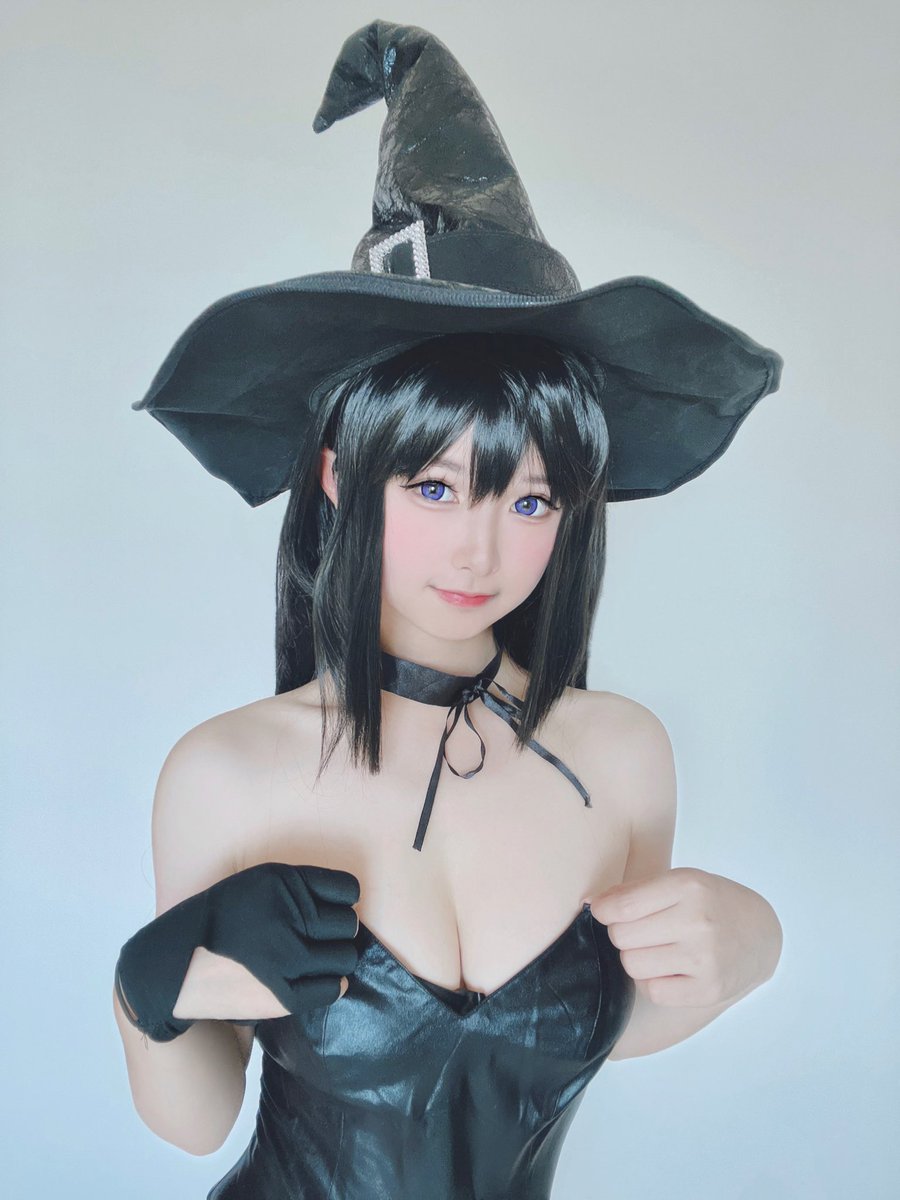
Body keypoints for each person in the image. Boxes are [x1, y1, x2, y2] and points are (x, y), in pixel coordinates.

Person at [113, 20, 784, 1198]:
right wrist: (147, 984)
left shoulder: (619, 755)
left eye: (531, 500)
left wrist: (750, 952)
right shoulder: (226, 774)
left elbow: (567, 1043)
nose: (482, 548)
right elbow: (195, 1122)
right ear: (340, 478)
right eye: (433, 487)